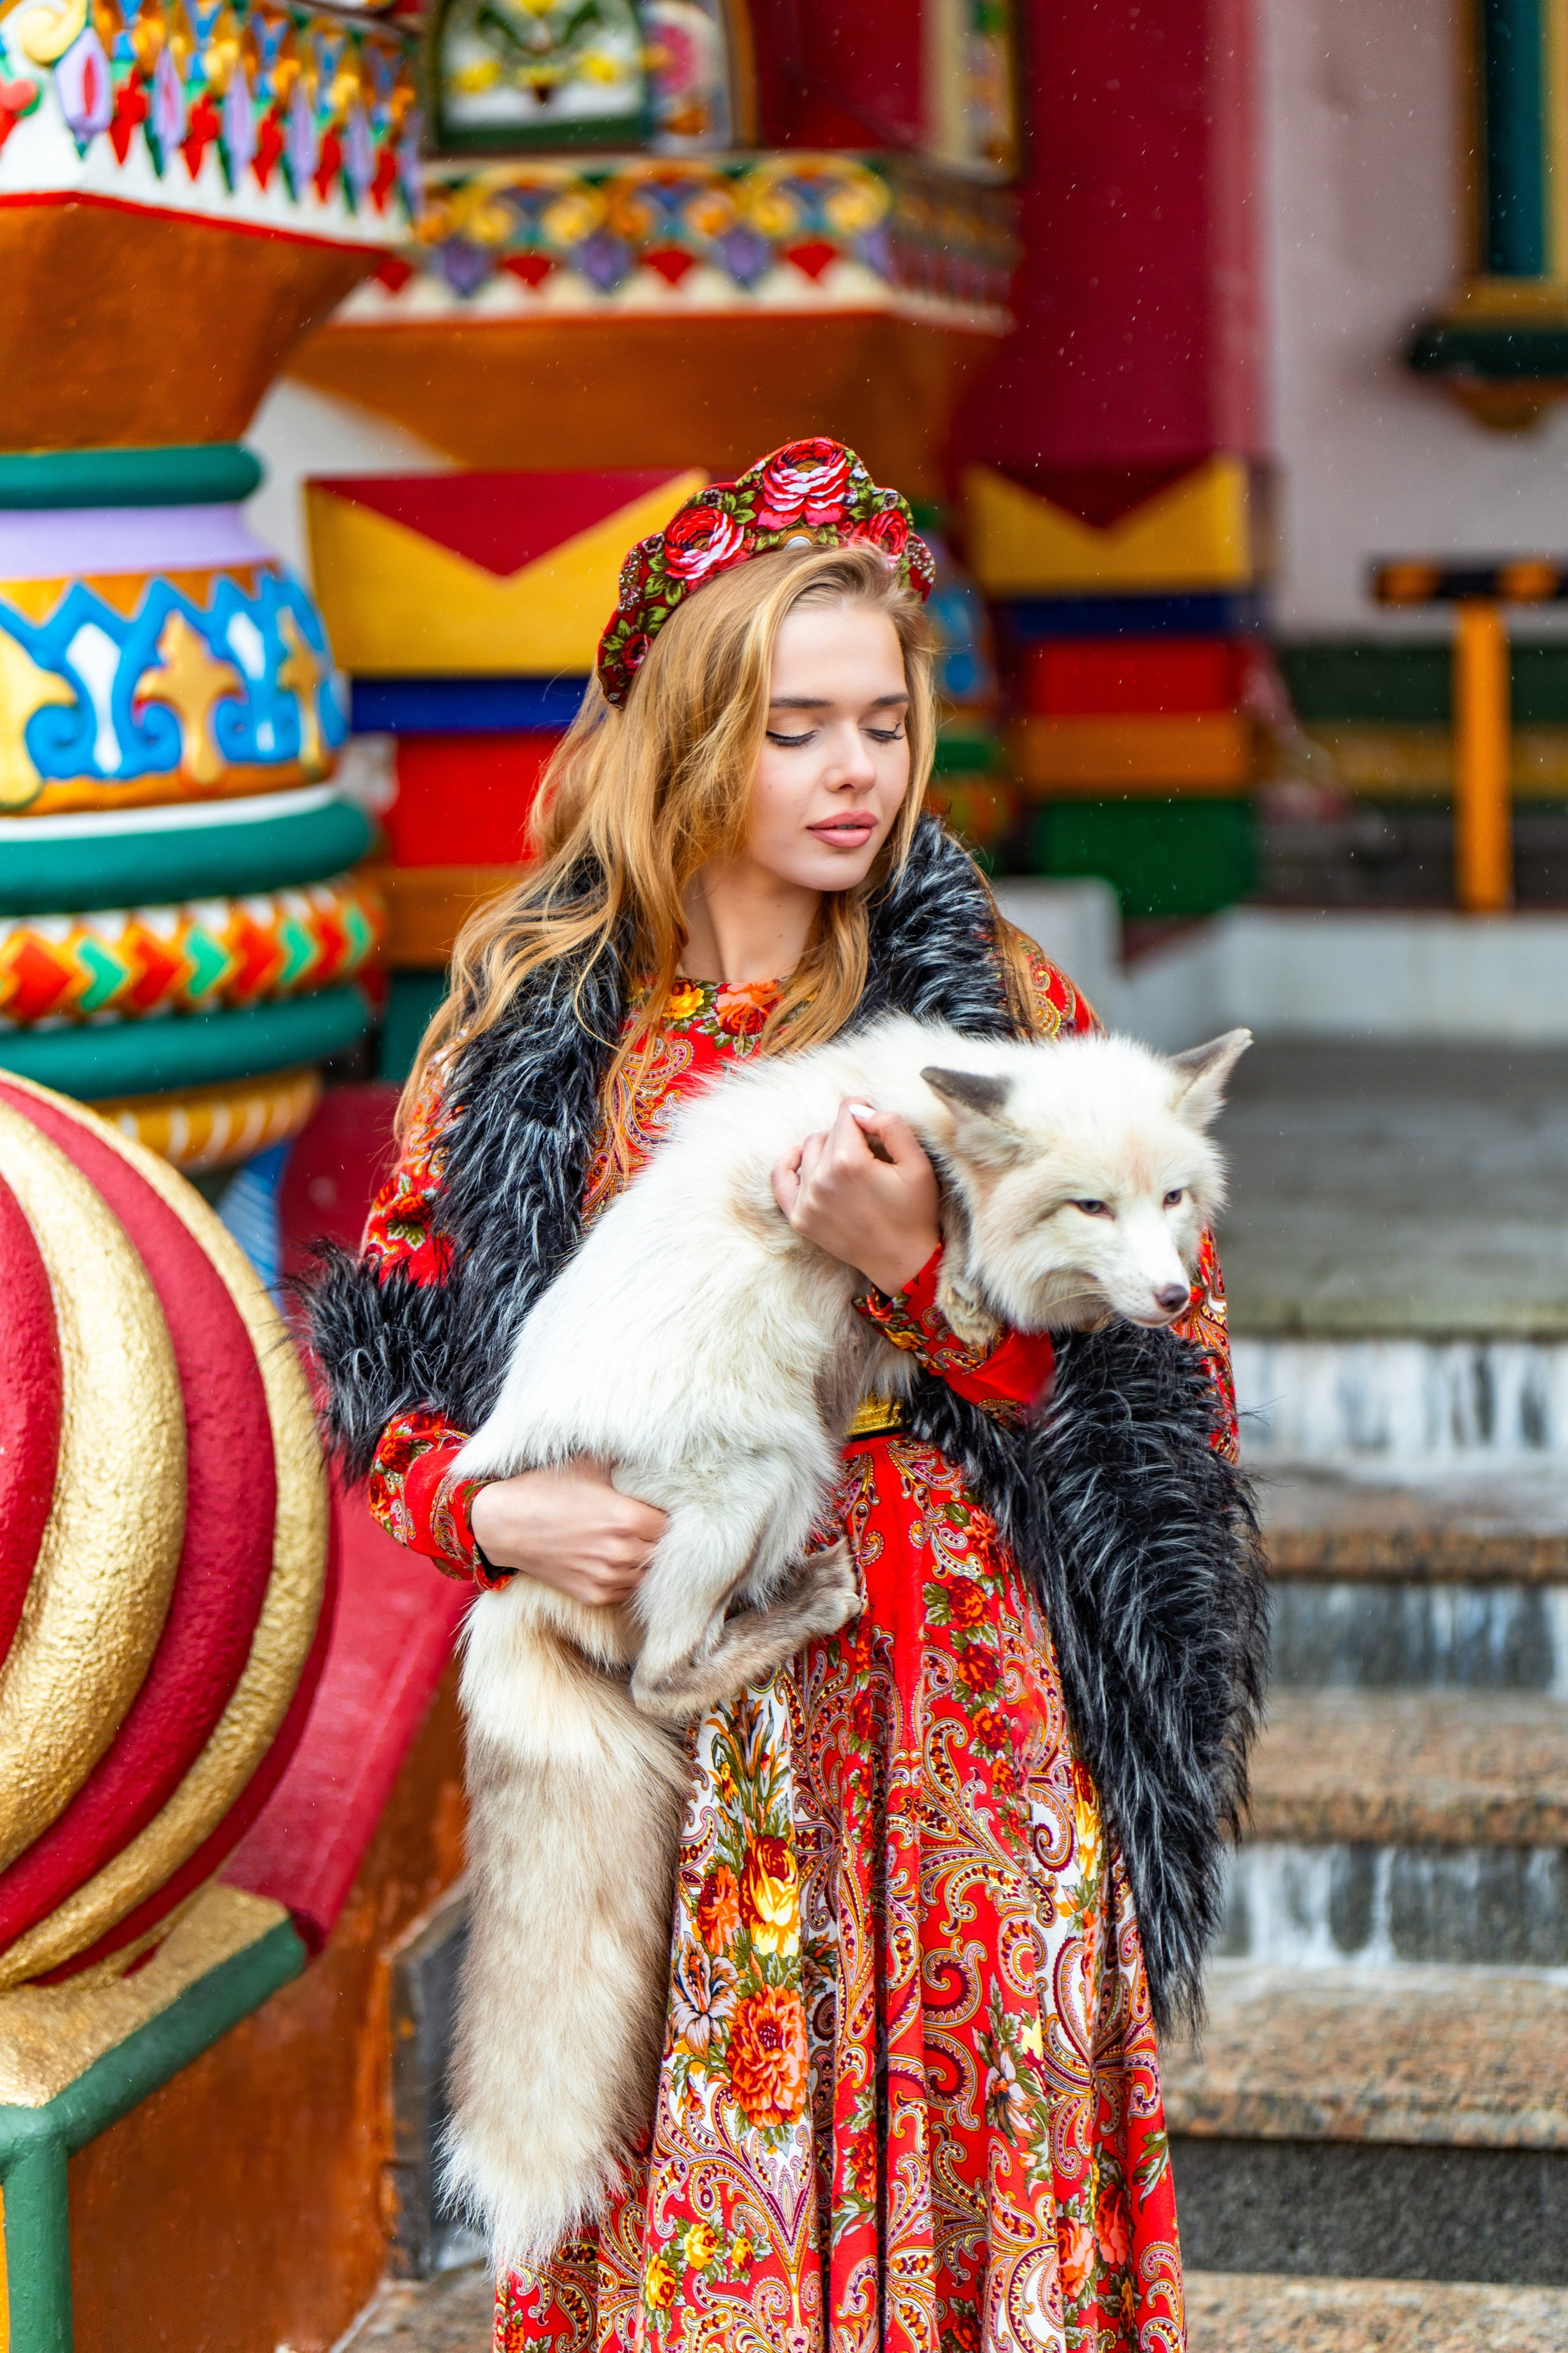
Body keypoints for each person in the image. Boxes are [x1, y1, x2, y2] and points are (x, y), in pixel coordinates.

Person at [309, 440, 1264, 2353]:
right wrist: (484, 1512)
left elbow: (1184, 1380)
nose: (855, 773)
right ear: (688, 733)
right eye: (797, 725)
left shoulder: (991, 1003)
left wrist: (924, 1270)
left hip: (948, 1685)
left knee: (961, 2164)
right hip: (672, 1698)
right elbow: (402, 1343)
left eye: (886, 724)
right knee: (698, 2187)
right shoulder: (533, 1020)